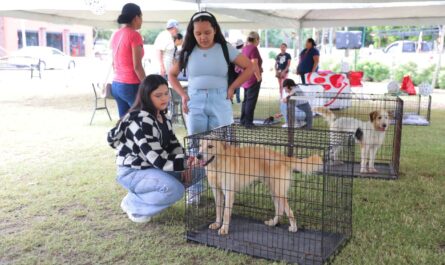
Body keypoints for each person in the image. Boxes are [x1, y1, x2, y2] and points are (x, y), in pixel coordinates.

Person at [169, 11, 253, 204]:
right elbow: (171, 75)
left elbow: (249, 67)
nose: (203, 37)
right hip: (194, 101)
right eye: (198, 33)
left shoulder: (225, 48)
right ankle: (195, 189)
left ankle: (227, 188)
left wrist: (233, 87)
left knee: (224, 145)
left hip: (220, 99)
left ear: (214, 30)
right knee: (195, 146)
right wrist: (183, 95)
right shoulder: (187, 51)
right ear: (192, 33)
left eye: (207, 32)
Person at [107, 74, 196, 223]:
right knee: (175, 189)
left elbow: (174, 145)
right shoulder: (142, 120)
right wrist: (185, 163)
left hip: (151, 168)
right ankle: (134, 204)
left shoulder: (162, 117)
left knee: (196, 172)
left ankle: (149, 196)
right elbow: (158, 159)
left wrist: (187, 162)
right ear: (147, 97)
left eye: (166, 93)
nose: (165, 99)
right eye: (158, 95)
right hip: (132, 172)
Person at [111, 3, 145, 118]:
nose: (142, 21)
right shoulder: (135, 35)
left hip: (116, 84)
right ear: (136, 18)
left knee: (124, 123)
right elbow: (137, 66)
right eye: (141, 17)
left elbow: (113, 62)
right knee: (141, 119)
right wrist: (147, 85)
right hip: (130, 85)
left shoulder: (116, 34)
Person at [240, 31, 262, 128]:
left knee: (245, 101)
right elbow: (254, 64)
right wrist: (258, 77)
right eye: (258, 40)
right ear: (256, 39)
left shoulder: (244, 48)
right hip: (252, 78)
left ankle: (243, 120)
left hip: (245, 78)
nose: (259, 42)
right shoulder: (253, 48)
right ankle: (249, 123)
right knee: (251, 101)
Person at [233, 39, 244, 103]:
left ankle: (232, 99)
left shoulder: (234, 51)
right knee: (238, 85)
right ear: (242, 45)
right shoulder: (242, 51)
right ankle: (238, 99)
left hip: (234, 70)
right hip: (239, 70)